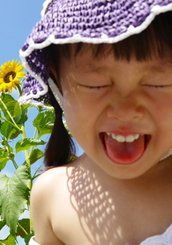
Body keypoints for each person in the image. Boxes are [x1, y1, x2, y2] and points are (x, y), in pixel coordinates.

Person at [19, 0, 172, 244]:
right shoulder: (51, 194)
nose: (125, 111)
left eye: (160, 82)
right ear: (58, 83)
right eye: (94, 84)